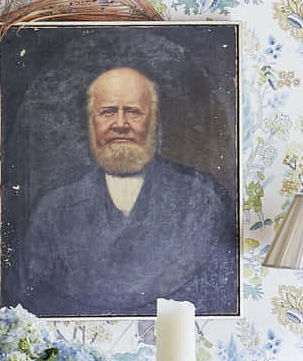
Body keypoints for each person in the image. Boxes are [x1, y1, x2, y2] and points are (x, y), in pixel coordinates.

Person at [13, 65, 236, 317]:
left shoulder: (202, 199)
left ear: (154, 121)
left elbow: (213, 294)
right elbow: (38, 297)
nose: (120, 124)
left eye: (133, 112)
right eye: (107, 112)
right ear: (90, 122)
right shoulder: (54, 207)